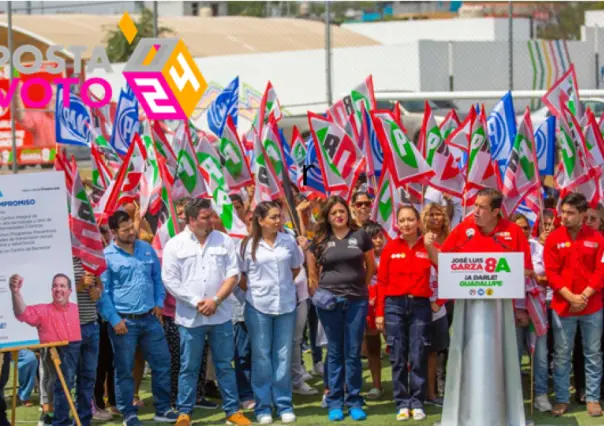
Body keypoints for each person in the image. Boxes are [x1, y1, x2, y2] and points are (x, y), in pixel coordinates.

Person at [425, 188, 533, 425]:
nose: (475, 211)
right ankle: (462, 414)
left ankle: (505, 414)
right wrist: (430, 246)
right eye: (475, 205)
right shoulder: (464, 228)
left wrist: (500, 274)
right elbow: (444, 262)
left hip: (500, 312)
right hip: (467, 310)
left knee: (503, 359)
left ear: (496, 211)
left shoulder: (512, 231)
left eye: (482, 207)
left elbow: (526, 269)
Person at [162, 199, 251, 426]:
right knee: (189, 367)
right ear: (191, 220)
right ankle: (185, 413)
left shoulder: (224, 241)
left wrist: (216, 300)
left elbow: (234, 274)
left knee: (224, 365)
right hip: (190, 318)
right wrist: (196, 302)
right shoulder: (175, 244)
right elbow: (170, 280)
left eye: (211, 216)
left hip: (220, 315)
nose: (211, 220)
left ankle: (232, 410)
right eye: (205, 217)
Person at [98, 210, 178, 426]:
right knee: (124, 369)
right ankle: (128, 413)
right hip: (124, 323)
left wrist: (159, 303)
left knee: (162, 363)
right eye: (125, 230)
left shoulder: (145, 248)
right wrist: (114, 319)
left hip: (150, 319)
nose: (131, 232)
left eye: (132, 227)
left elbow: (156, 278)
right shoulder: (106, 256)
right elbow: (102, 293)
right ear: (114, 232)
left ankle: (162, 409)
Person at [307, 196, 375, 422]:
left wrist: (359, 290)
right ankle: (335, 401)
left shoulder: (360, 236)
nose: (339, 215)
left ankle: (354, 400)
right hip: (329, 304)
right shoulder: (319, 239)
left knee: (353, 353)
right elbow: (312, 273)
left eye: (342, 211)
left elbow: (370, 266)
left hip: (357, 301)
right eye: (334, 212)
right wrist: (322, 296)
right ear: (327, 216)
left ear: (348, 213)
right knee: (335, 352)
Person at [239, 201, 304, 424]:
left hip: (286, 305)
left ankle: (284, 403)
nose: (278, 221)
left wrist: (281, 287)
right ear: (260, 220)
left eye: (279, 216)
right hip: (258, 307)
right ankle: (263, 407)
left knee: (284, 355)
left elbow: (295, 268)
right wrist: (260, 291)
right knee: (262, 357)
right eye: (273, 217)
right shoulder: (248, 245)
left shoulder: (288, 241)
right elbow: (242, 277)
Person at [375, 205, 438, 421]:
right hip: (394, 305)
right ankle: (402, 402)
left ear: (418, 222)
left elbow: (442, 267)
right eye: (402, 220)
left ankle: (417, 402)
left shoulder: (427, 245)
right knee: (398, 355)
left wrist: (430, 248)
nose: (406, 224)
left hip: (420, 305)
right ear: (397, 224)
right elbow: (382, 282)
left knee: (418, 353)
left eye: (410, 219)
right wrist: (379, 312)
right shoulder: (390, 248)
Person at [544, 193, 604, 417]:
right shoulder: (553, 238)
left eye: (570, 213)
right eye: (563, 212)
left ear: (582, 215)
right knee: (561, 354)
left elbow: (601, 270)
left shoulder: (598, 238)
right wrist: (571, 297)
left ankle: (592, 398)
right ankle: (561, 399)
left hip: (592, 306)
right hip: (563, 306)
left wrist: (585, 295)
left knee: (593, 353)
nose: (564, 216)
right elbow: (551, 272)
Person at [510, 213, 551, 412]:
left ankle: (541, 395)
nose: (522, 231)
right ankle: (515, 396)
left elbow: (549, 277)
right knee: (514, 354)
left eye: (525, 227)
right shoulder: (504, 249)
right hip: (513, 309)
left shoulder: (538, 247)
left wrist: (533, 276)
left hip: (537, 308)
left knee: (540, 355)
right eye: (518, 227)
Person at [420, 203, 451, 407]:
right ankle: (421, 389)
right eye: (430, 214)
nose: (435, 218)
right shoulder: (418, 240)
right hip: (423, 300)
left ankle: (440, 386)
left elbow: (450, 269)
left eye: (438, 214)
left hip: (445, 300)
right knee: (421, 347)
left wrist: (439, 302)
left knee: (440, 348)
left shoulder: (451, 240)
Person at [10, 273, 81, 344]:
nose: (58, 289)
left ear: (70, 291)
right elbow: (23, 313)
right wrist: (15, 292)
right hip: (53, 354)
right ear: (52, 290)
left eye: (62, 286)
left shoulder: (78, 310)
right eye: (55, 286)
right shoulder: (42, 311)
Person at [362, 221, 386, 401]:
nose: (378, 241)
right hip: (368, 307)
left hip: (388, 306)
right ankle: (376, 385)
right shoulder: (360, 259)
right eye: (373, 237)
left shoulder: (391, 255)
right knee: (372, 348)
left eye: (380, 237)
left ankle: (407, 384)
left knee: (398, 347)